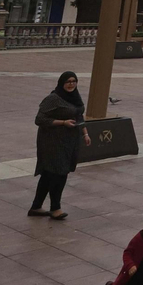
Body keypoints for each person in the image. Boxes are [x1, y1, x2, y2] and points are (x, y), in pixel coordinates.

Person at [31, 71, 89, 219]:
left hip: (70, 140)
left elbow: (78, 115)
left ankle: (36, 206)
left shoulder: (75, 96)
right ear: (61, 83)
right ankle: (55, 208)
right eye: (68, 81)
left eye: (73, 81)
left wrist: (85, 133)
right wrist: (62, 122)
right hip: (52, 141)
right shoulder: (53, 98)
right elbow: (39, 119)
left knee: (49, 174)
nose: (71, 84)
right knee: (59, 173)